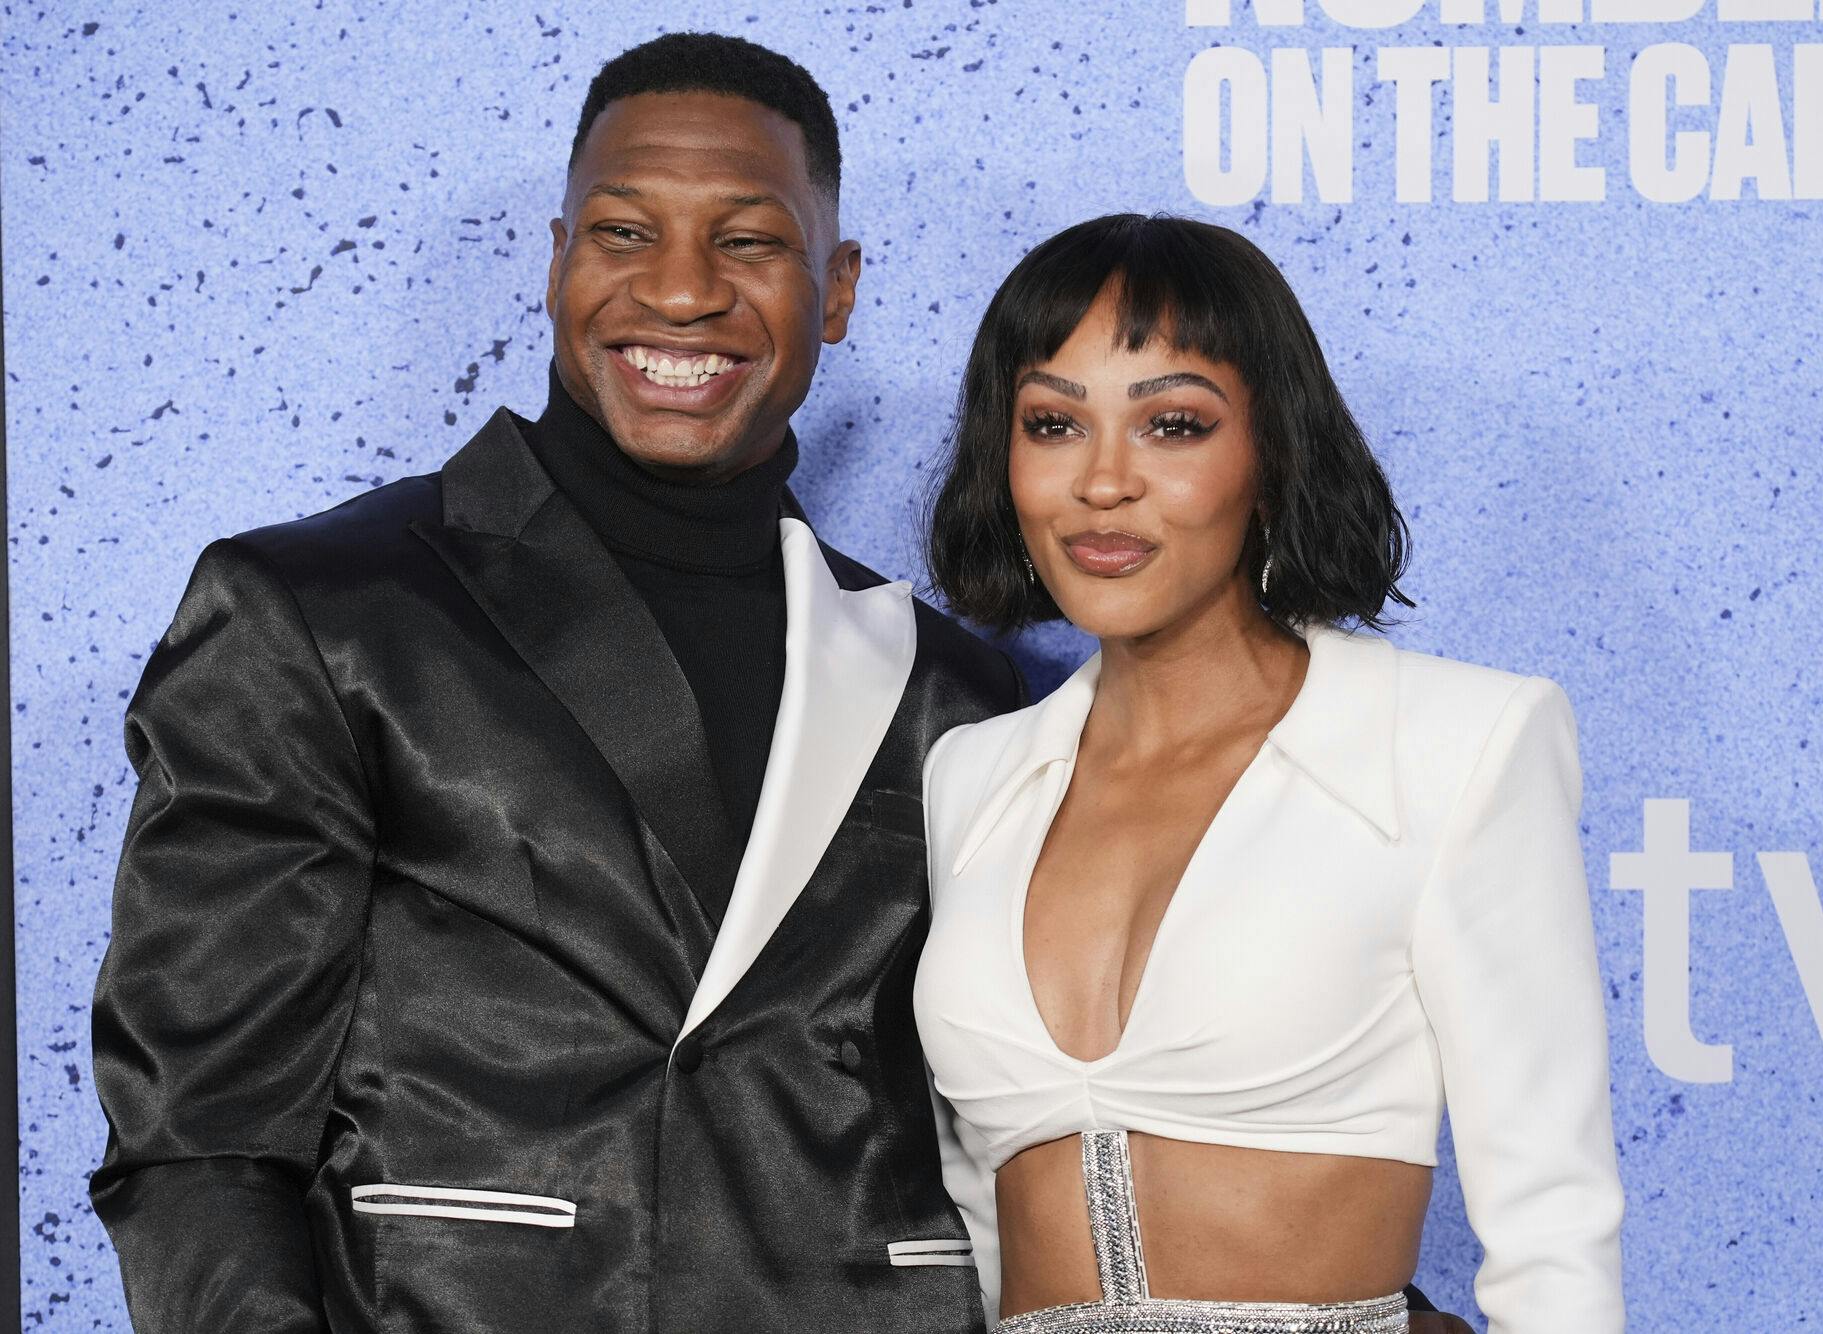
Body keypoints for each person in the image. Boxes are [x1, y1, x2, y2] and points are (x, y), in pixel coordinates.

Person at [88, 33, 1027, 1334]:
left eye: (749, 241)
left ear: (841, 286)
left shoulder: (961, 692)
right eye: (625, 233)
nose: (681, 292)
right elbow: (202, 1142)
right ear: (557, 259)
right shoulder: (318, 614)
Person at [916, 214, 1626, 1333]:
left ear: (1273, 451)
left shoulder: (1456, 741)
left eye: (1174, 425)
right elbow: (976, 1209)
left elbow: (1553, 1227)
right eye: (1054, 423)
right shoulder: (972, 773)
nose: (1104, 482)